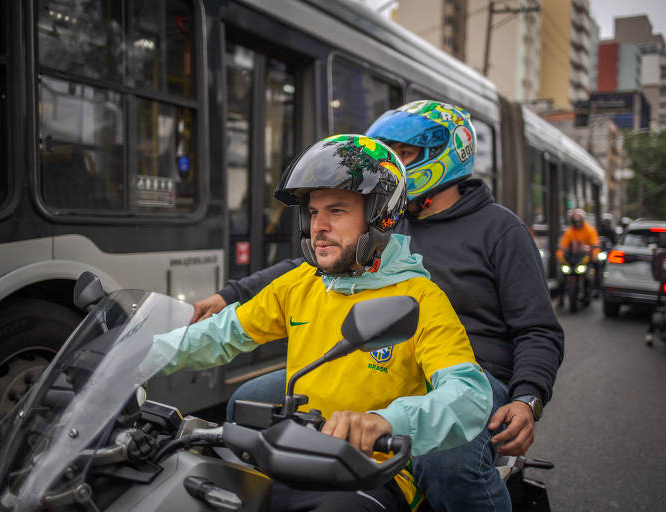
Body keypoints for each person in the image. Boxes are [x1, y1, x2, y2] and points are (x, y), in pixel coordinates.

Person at [194, 101, 565, 512]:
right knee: (247, 403)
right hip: (370, 356)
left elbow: (538, 329)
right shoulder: (386, 217)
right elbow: (306, 266)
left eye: (404, 153)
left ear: (446, 154)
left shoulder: (501, 230)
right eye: (386, 151)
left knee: (446, 463)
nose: (393, 162)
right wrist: (231, 294)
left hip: (468, 374)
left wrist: (528, 396)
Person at [153, 134, 492, 512]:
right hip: (292, 455)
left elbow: (469, 396)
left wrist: (387, 421)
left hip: (371, 473)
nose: (319, 226)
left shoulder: (419, 298)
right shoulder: (300, 284)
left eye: (337, 211)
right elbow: (221, 335)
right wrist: (137, 355)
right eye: (314, 213)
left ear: (380, 216)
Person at [557, 208, 600, 305]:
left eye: (579, 221)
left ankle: (596, 289)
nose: (577, 224)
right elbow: (562, 246)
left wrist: (594, 255)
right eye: (575, 222)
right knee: (561, 277)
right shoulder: (569, 231)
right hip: (572, 259)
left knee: (592, 273)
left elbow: (595, 244)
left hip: (585, 258)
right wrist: (560, 256)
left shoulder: (590, 230)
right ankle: (561, 298)